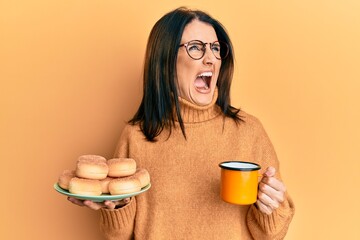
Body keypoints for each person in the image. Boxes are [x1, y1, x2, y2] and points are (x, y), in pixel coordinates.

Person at [68, 7, 295, 240]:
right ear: (165, 60)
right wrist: (116, 206)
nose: (211, 59)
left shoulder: (249, 132)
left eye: (216, 49)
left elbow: (272, 235)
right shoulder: (136, 136)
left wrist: (269, 208)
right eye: (196, 47)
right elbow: (116, 236)